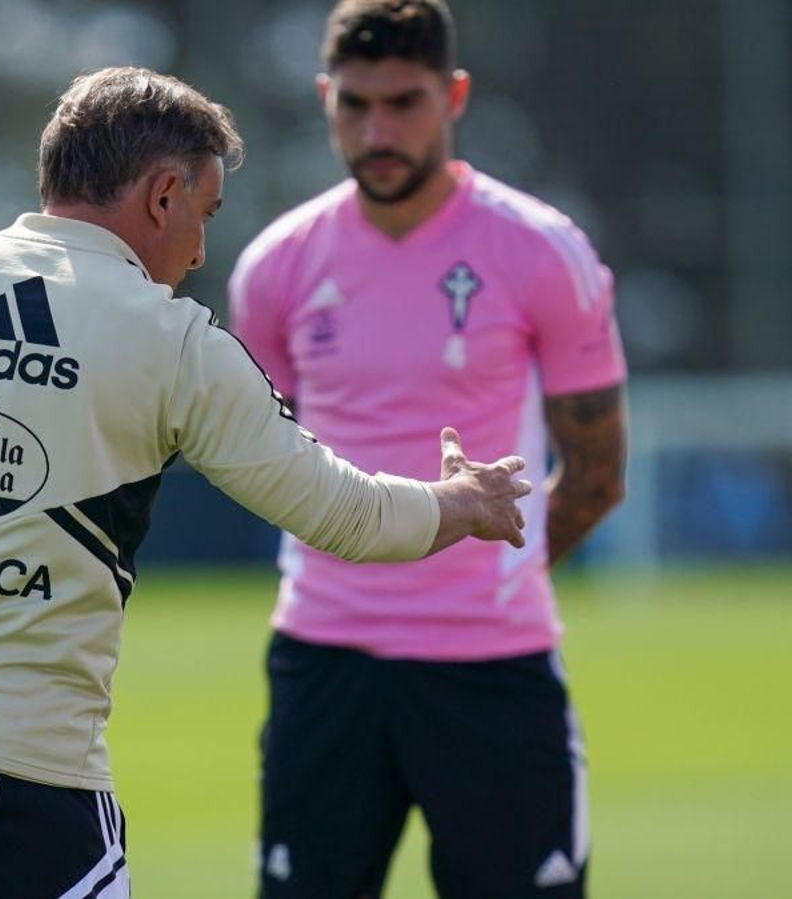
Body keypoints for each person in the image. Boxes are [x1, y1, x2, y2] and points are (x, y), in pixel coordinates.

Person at [0, 65, 532, 899]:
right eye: (204, 214)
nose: (199, 252)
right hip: (23, 786)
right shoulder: (173, 341)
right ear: (163, 195)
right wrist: (463, 501)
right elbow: (349, 516)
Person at [227, 2, 629, 897]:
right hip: (324, 665)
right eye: (356, 104)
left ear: (453, 97)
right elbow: (260, 460)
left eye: (404, 102)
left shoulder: (540, 250)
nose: (378, 131)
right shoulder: (276, 266)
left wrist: (489, 578)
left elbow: (598, 476)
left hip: (493, 668)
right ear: (326, 99)